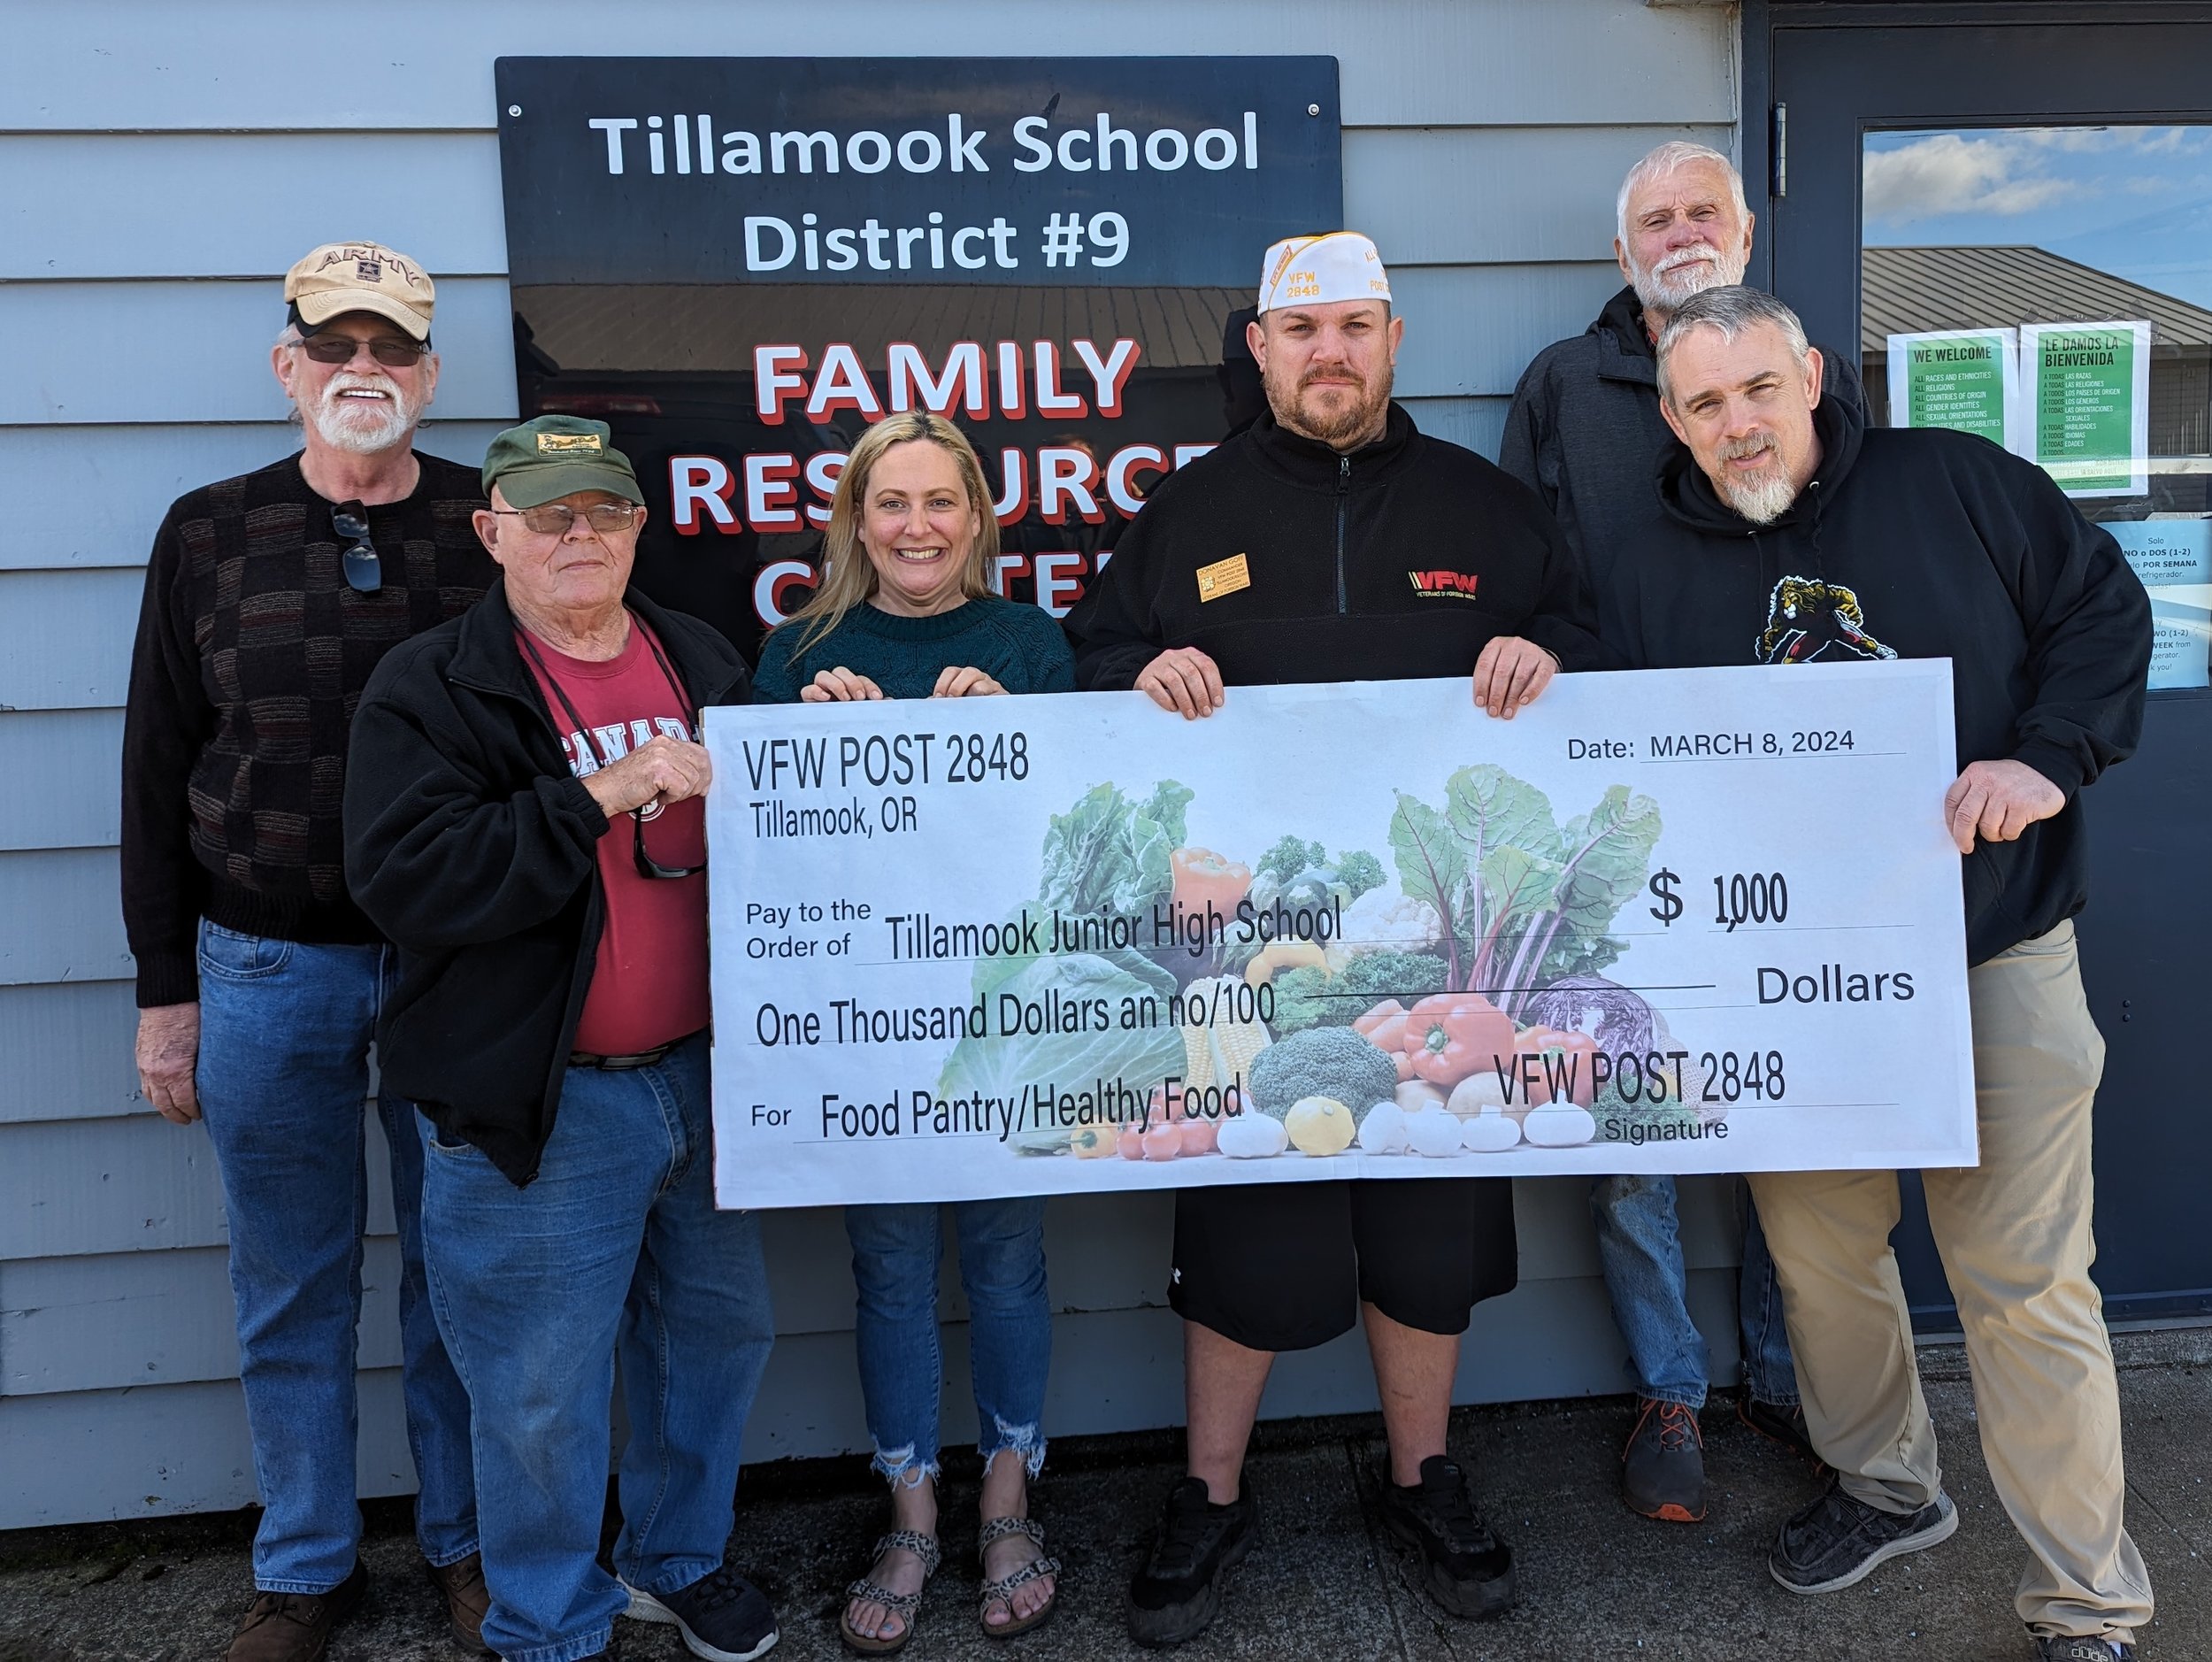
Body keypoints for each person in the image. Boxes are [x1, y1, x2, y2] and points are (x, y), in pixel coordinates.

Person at [1065, 231, 1606, 1646]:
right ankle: (1209, 1491)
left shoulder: (1488, 513)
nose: (1331, 355)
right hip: (1252, 965)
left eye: (1357, 327)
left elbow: (1589, 658)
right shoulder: (1187, 512)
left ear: (1394, 338)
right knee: (1250, 1209)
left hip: (1443, 965)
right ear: (1259, 346)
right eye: (1303, 331)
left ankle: (1424, 1474)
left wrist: (1551, 656)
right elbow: (1086, 666)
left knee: (1428, 1230)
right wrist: (1141, 670)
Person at [1629, 284, 2154, 1662]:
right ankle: (1886, 1484)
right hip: (1786, 977)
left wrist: (2047, 756)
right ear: (1671, 420)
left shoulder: (1956, 482)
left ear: (1810, 375)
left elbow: (2103, 608)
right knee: (1820, 1259)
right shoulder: (1649, 557)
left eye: (1756, 390)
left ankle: (2088, 1602)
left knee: (2025, 1278)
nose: (1737, 425)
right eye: (1703, 405)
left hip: (1992, 948)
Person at [342, 417, 778, 1662]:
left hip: (706, 1081)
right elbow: (409, 878)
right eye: (547, 513)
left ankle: (676, 1556)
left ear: (640, 526)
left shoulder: (701, 655)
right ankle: (547, 1619)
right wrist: (600, 792)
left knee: (715, 1335)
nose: (577, 533)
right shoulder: (433, 685)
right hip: (540, 1099)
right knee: (536, 1386)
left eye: (602, 509)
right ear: (492, 533)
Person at [120, 241, 487, 1661]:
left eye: (391, 350)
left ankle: (464, 1545)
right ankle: (307, 1563)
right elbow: (157, 767)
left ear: (429, 375)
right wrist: (166, 995)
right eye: (334, 348)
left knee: (461, 1269)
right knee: (291, 1276)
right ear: (288, 369)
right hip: (264, 962)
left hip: (459, 963)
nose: (363, 373)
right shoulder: (206, 531)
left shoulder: (490, 522)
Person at [1499, 142, 1856, 1521]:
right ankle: (1671, 1383)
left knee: (1785, 1077)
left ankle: (1800, 1371)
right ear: (1622, 251)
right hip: (1612, 794)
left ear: (1747, 228)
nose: (1682, 231)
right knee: (1628, 1094)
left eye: (1703, 209)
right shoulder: (1561, 387)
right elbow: (1526, 581)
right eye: (1656, 217)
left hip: (1788, 794)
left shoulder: (1807, 362)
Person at [755, 412, 1071, 1653]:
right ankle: (909, 1509)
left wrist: (1016, 734)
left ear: (979, 516)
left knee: (1007, 1258)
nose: (919, 526)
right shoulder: (797, 650)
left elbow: (1081, 839)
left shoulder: (1031, 642)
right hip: (862, 1032)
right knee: (886, 1265)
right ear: (854, 519)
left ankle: (1006, 1497)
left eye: (943, 502)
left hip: (1001, 1018)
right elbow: (759, 856)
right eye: (892, 503)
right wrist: (802, 740)